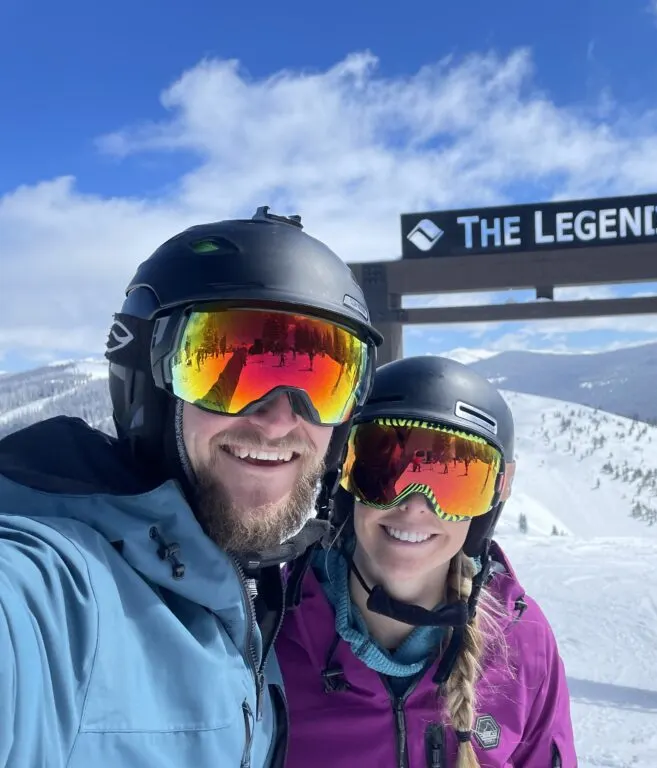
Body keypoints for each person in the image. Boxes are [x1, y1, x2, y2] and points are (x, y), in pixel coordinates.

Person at [0, 207, 381, 768]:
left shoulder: (250, 599)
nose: (279, 420)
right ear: (148, 386)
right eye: (227, 365)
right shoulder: (60, 595)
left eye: (322, 381)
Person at [276, 355, 576, 767]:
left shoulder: (521, 643)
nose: (415, 506)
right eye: (385, 472)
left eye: (454, 481)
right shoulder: (272, 630)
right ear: (345, 483)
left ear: (485, 511)